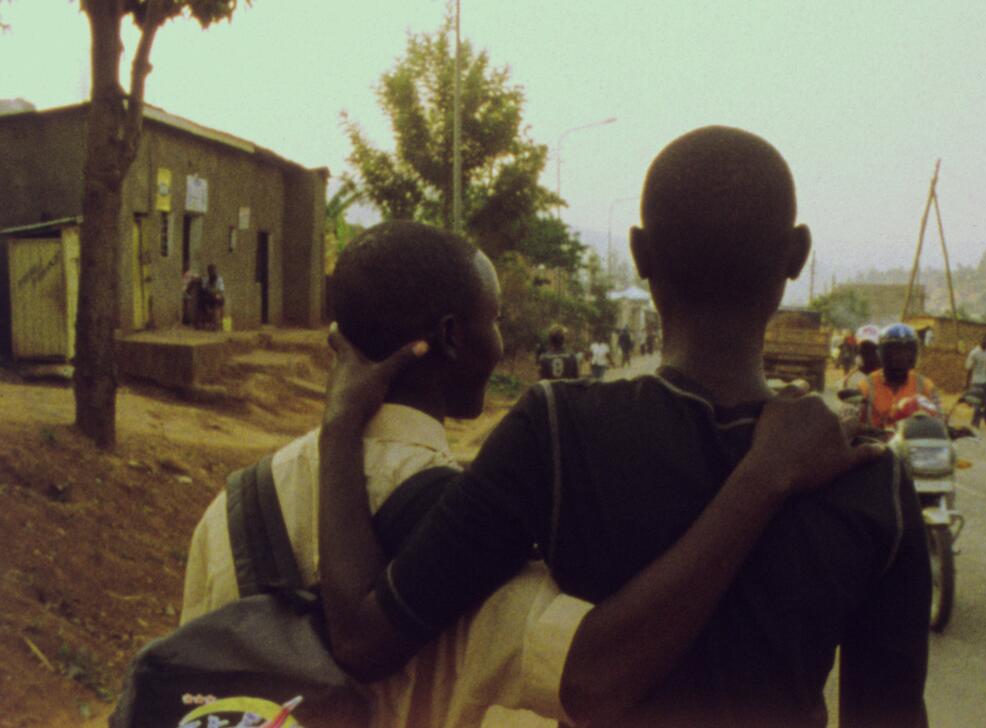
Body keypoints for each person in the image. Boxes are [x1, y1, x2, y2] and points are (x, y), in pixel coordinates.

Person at [320, 127, 931, 727]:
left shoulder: (558, 433)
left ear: (639, 255)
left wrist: (342, 424)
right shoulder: (870, 479)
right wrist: (764, 475)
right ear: (797, 255)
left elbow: (363, 639)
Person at [183, 221, 873, 728]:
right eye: (495, 321)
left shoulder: (232, 509)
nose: (501, 341)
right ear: (454, 338)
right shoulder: (475, 529)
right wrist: (763, 478)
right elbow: (597, 678)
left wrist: (338, 428)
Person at [857, 323, 939, 430]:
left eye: (908, 350)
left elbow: (939, 420)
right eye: (895, 350)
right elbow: (849, 419)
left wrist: (951, 431)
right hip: (876, 444)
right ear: (882, 353)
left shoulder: (926, 386)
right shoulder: (865, 386)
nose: (902, 356)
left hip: (914, 444)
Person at [964, 332, 986, 427]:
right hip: (977, 381)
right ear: (979, 341)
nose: (984, 341)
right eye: (982, 340)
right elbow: (969, 369)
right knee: (977, 404)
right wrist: (967, 384)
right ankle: (976, 422)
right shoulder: (974, 353)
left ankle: (985, 415)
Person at [200, 263, 225, 330]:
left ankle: (216, 324)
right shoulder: (206, 279)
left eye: (213, 270)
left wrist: (214, 293)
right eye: (210, 271)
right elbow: (204, 289)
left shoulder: (219, 279)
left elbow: (221, 290)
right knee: (202, 301)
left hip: (216, 297)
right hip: (208, 297)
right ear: (208, 271)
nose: (212, 272)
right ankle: (206, 324)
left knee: (218, 299)